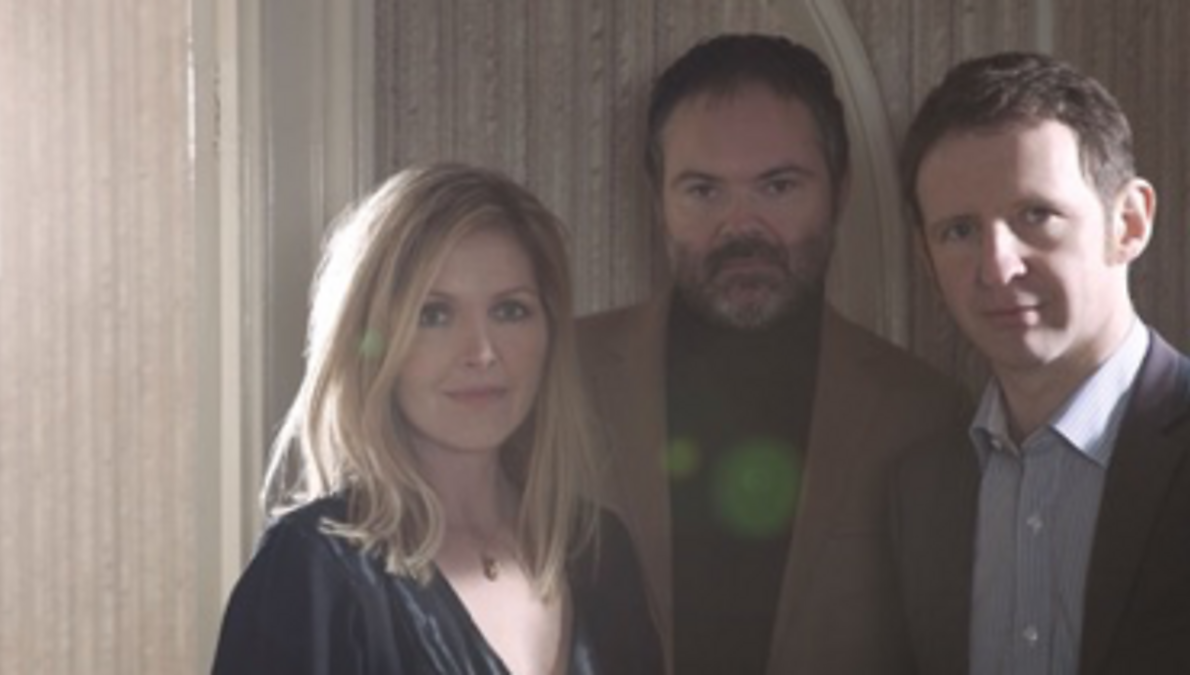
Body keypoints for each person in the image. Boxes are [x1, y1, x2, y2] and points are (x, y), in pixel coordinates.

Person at [577, 34, 968, 674]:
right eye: (703, 191)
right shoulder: (556, 378)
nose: (741, 227)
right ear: (659, 199)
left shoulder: (927, 415)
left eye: (778, 186)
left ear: (839, 191)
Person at [212, 163, 664, 674]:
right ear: (372, 344)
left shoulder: (598, 549)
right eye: (434, 315)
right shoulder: (314, 569)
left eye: (510, 310)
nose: (482, 352)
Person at [892, 51, 1190, 674]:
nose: (997, 268)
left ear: (1129, 223)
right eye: (959, 231)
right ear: (927, 258)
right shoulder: (917, 492)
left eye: (1036, 215)